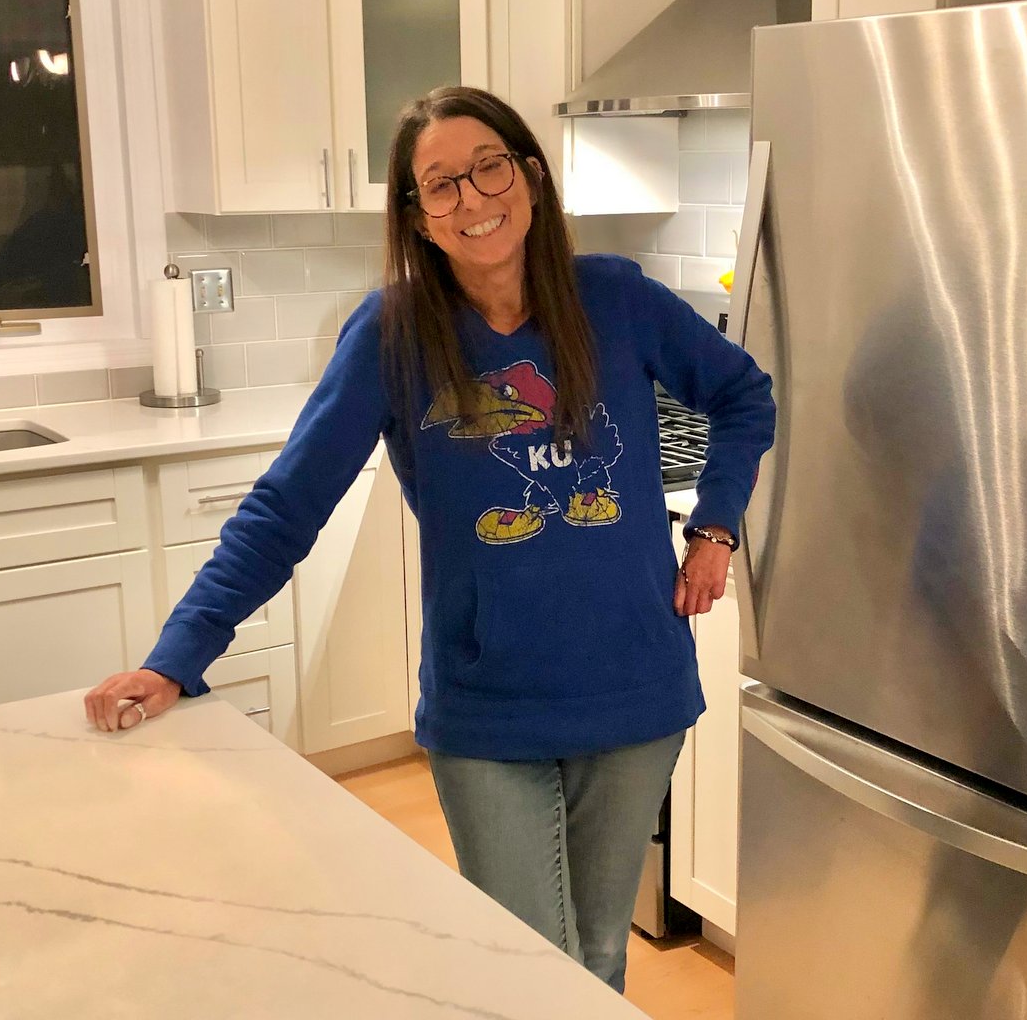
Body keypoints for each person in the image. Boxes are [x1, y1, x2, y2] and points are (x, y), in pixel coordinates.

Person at [84, 86, 775, 993]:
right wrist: (179, 656)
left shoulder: (615, 297)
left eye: (489, 165)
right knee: (522, 967)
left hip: (636, 687)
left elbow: (743, 395)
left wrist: (717, 523)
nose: (472, 198)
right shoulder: (393, 333)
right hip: (489, 707)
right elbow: (286, 507)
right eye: (438, 184)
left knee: (598, 958)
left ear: (529, 172)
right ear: (416, 215)